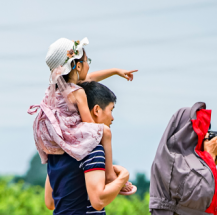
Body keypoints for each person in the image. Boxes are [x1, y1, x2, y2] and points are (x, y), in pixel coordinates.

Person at [44, 81, 130, 215]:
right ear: (97, 110)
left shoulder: (59, 151)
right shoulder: (92, 150)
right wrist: (122, 178)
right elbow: (98, 200)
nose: (112, 118)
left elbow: (50, 201)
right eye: (111, 110)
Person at [28, 37, 138, 195]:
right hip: (69, 131)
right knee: (104, 132)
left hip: (53, 135)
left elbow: (90, 78)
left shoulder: (57, 87)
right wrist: (99, 123)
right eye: (87, 61)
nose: (89, 65)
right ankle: (109, 175)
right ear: (78, 66)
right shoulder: (78, 92)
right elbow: (89, 123)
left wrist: (114, 71)